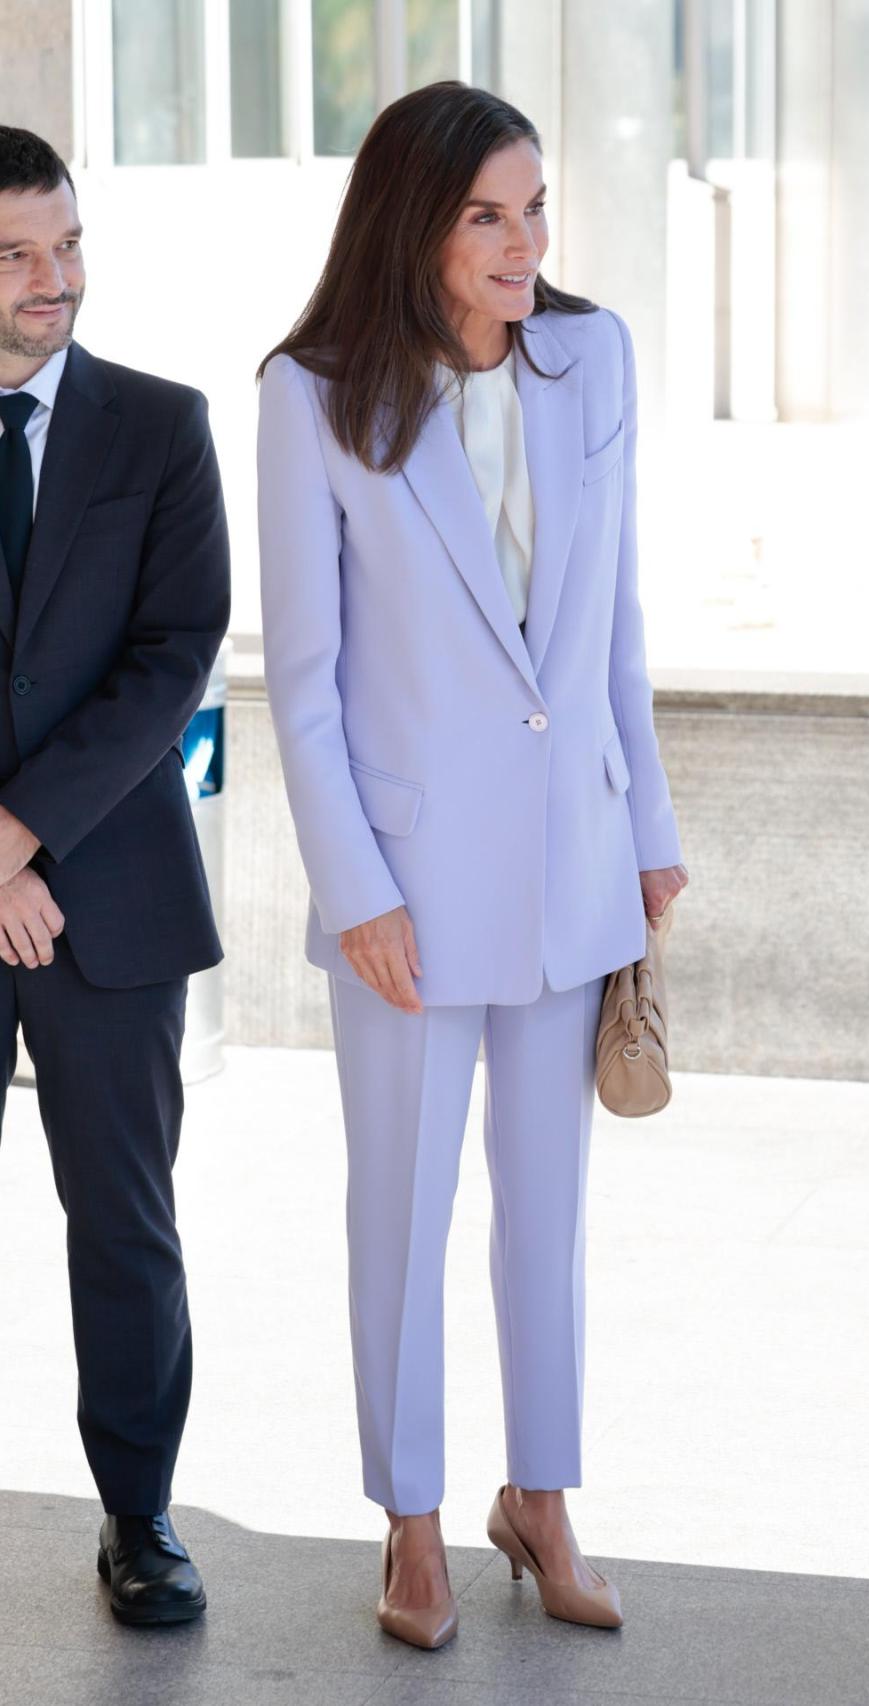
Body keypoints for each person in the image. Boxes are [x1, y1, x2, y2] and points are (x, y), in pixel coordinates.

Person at [258, 81, 686, 1650]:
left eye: (536, 207)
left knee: (548, 1215)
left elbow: (615, 622)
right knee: (405, 1209)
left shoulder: (595, 360)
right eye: (487, 215)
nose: (527, 243)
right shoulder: (312, 394)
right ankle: (415, 1521)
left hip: (573, 865)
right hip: (411, 899)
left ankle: (545, 1496)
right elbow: (301, 676)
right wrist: (357, 886)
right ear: (414, 228)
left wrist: (648, 830)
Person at [0, 127, 229, 1623]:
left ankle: (139, 1513)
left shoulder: (159, 425)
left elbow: (172, 659)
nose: (55, 280)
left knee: (127, 1224)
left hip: (107, 894)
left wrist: (14, 837)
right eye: (19, 254)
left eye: (67, 245)